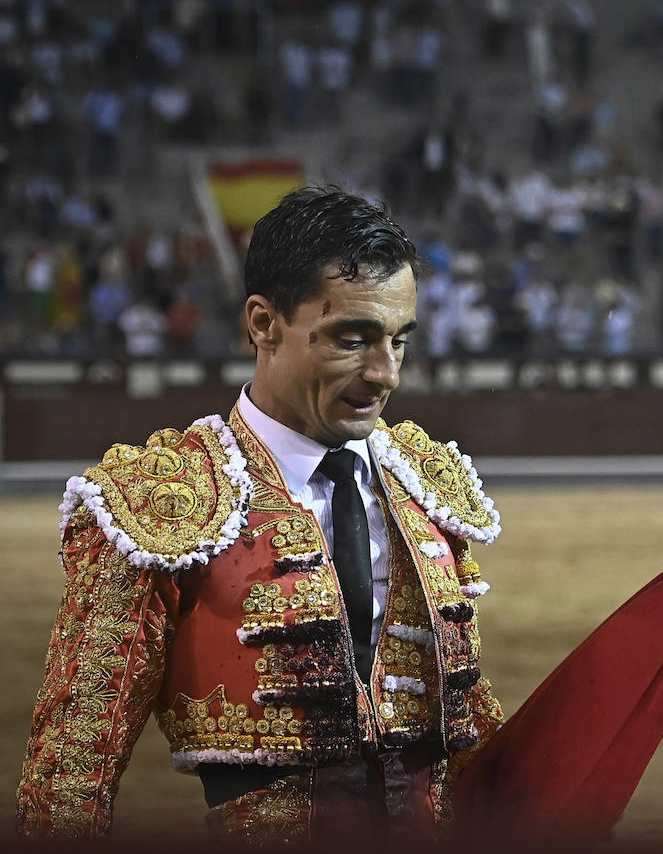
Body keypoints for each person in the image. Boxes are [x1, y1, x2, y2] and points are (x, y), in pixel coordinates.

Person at [18, 187, 504, 842]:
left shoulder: (423, 487)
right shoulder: (164, 504)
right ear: (262, 324)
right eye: (352, 339)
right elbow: (71, 777)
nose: (385, 373)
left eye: (398, 340)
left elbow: (469, 725)